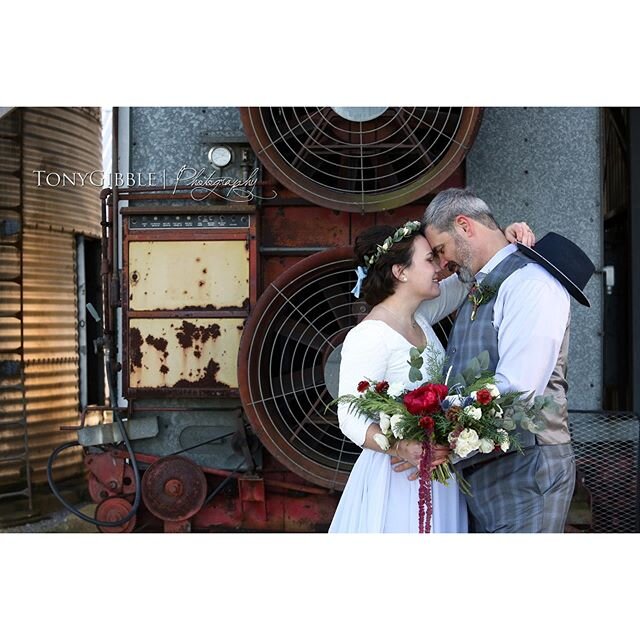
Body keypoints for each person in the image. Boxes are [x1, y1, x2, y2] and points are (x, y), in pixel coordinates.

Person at [329, 217, 535, 533]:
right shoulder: (370, 335)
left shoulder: (421, 318)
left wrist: (499, 240)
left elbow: (468, 276)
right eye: (429, 260)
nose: (438, 267)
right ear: (401, 272)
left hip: (439, 470)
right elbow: (349, 415)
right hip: (397, 477)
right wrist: (399, 447)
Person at [422, 187, 593, 533]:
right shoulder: (483, 282)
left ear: (465, 226)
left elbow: (517, 388)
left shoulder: (531, 283)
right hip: (490, 465)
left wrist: (433, 414)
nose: (442, 264)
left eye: (441, 250)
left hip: (527, 469)